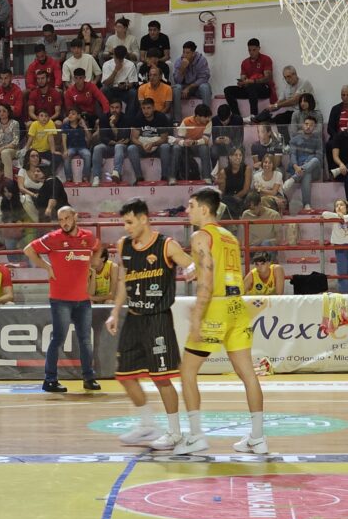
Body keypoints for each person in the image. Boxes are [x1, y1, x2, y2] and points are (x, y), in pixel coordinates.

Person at [175, 188, 267, 455]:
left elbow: (206, 280)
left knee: (187, 371)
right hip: (237, 306)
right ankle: (258, 438)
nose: (187, 210)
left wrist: (197, 318)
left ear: (205, 209)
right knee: (248, 374)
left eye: (191, 205)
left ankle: (196, 436)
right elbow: (220, 270)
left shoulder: (200, 236)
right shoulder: (228, 237)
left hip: (215, 307)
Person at [105, 198, 193, 448]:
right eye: (124, 222)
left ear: (144, 219)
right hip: (133, 318)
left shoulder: (167, 245)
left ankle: (175, 432)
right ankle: (147, 426)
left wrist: (193, 269)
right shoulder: (124, 245)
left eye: (130, 222)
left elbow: (191, 264)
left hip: (158, 319)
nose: (126, 227)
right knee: (124, 375)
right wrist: (115, 312)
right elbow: (123, 281)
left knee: (161, 378)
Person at [24, 206, 100, 393]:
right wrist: (46, 266)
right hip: (60, 299)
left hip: (83, 299)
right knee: (58, 338)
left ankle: (89, 378)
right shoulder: (54, 238)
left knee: (85, 340)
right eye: (61, 219)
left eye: (67, 218)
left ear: (75, 217)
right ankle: (49, 380)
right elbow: (28, 250)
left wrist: (93, 264)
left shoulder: (88, 237)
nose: (64, 222)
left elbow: (98, 248)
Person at [223, 38, 276, 119]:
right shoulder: (245, 62)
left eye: (254, 50)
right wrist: (242, 83)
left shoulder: (266, 59)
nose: (251, 52)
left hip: (264, 89)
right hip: (250, 90)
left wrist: (251, 81)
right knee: (228, 90)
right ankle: (237, 116)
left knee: (252, 86)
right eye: (249, 50)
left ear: (259, 48)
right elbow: (243, 78)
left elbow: (267, 78)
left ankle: (254, 116)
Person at [323, 199, 348, 294]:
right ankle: (344, 293)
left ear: (347, 207)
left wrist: (344, 217)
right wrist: (338, 216)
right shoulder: (334, 217)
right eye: (337, 205)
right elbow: (324, 214)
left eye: (341, 205)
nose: (339, 207)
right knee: (342, 270)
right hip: (339, 247)